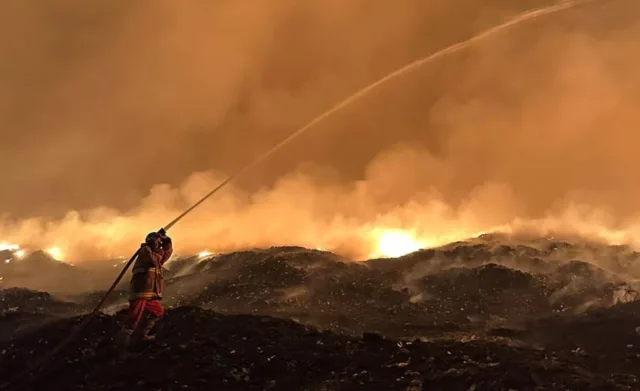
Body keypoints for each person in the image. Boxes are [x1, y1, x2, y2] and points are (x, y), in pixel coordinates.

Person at [117, 228, 173, 355]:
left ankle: (142, 336)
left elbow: (166, 254)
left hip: (151, 293)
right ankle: (123, 349)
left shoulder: (155, 254)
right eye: (158, 242)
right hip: (141, 292)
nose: (159, 245)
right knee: (133, 319)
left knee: (157, 311)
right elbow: (154, 259)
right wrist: (156, 243)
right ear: (152, 242)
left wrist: (166, 241)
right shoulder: (145, 252)